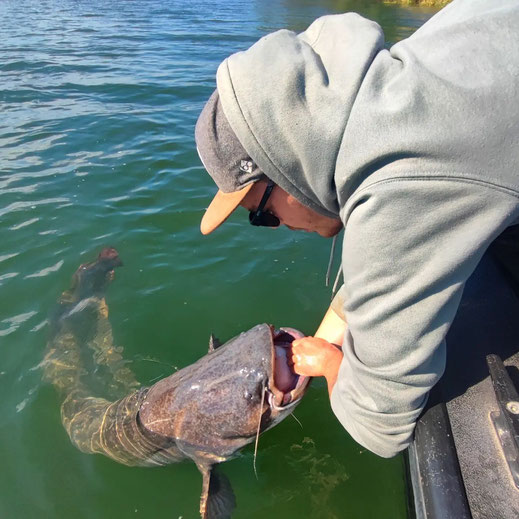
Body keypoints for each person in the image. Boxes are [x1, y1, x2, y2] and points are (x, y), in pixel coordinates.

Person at [194, 0, 519, 458]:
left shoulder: (397, 182)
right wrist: (342, 319)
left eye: (263, 213)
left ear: (284, 172)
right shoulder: (406, 80)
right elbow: (406, 233)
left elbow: (379, 424)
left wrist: (329, 366)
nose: (278, 226)